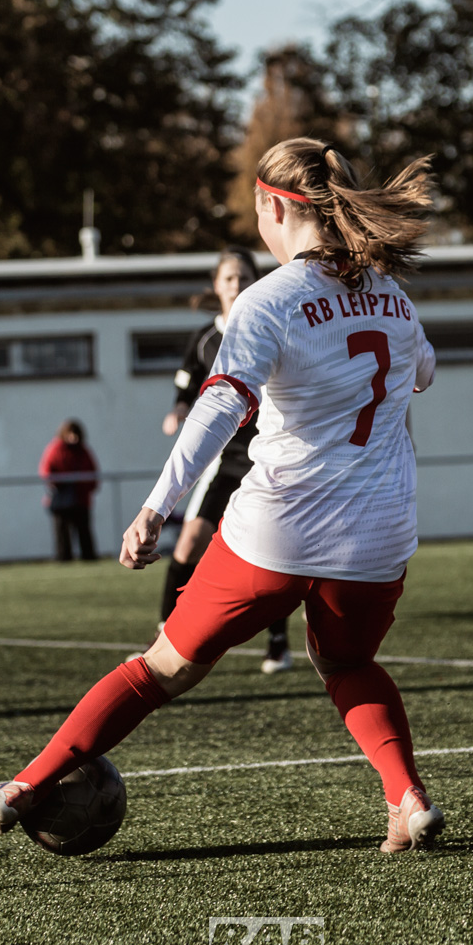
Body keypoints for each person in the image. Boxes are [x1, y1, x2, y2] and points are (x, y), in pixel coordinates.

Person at [0, 137, 446, 853]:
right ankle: (406, 798)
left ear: (272, 206)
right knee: (349, 665)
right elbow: (423, 374)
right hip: (378, 529)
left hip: (279, 527)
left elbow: (220, 406)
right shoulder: (391, 293)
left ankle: (24, 785)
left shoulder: (269, 301)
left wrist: (156, 506)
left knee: (161, 668)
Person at [158, 248, 294, 673]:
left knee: (273, 551)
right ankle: (164, 632)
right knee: (189, 543)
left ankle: (278, 644)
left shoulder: (272, 325)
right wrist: (178, 410)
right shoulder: (204, 339)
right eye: (229, 278)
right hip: (227, 457)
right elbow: (186, 389)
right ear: (217, 285)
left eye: (244, 277)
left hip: (269, 454)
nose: (236, 285)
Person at [40, 420, 99, 561]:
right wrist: (57, 485)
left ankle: (88, 557)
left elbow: (92, 471)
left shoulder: (83, 451)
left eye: (76, 434)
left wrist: (87, 487)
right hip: (61, 499)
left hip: (81, 498)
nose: (74, 438)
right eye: (71, 434)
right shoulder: (55, 449)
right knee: (61, 531)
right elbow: (46, 470)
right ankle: (63, 557)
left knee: (84, 530)